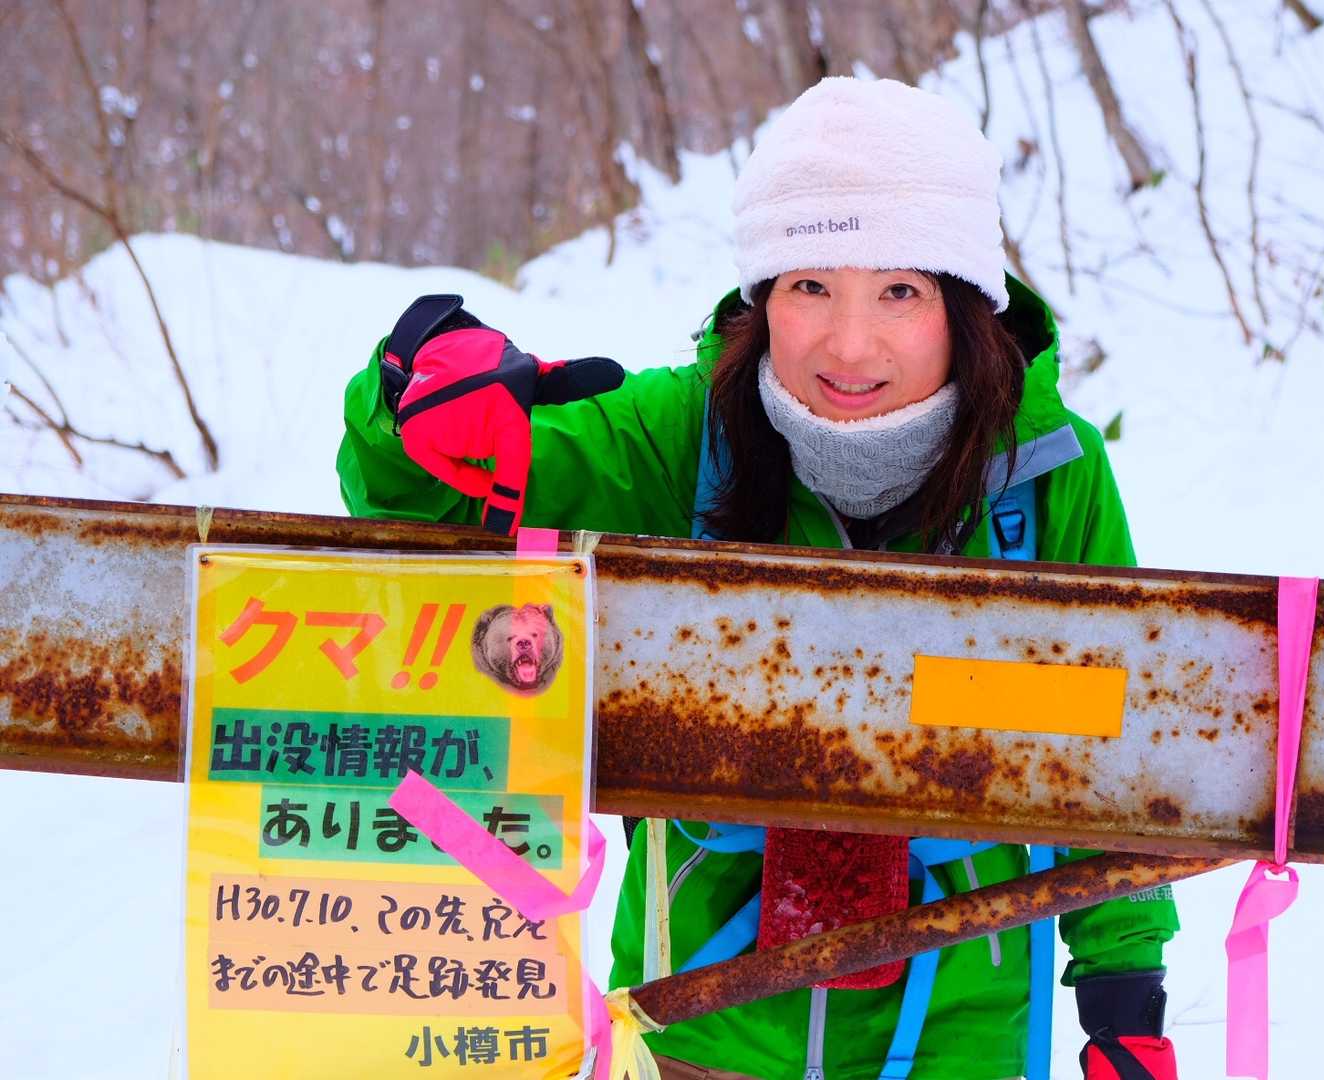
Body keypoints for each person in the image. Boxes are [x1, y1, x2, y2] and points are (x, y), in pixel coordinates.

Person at [339, 77, 1179, 1080]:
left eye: (900, 292)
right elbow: (414, 500)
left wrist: (1125, 994)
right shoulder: (682, 437)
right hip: (702, 1029)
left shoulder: (1046, 475)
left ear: (963, 305)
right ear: (763, 298)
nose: (850, 345)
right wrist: (413, 393)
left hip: (964, 1036)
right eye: (810, 286)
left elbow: (1112, 744)